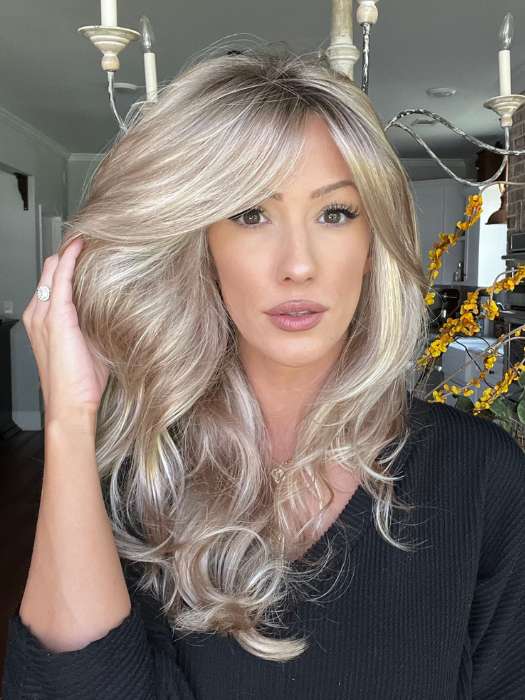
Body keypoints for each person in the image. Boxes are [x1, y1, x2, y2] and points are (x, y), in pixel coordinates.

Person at [2, 40, 525, 700]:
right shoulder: (140, 477)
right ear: (205, 244)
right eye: (250, 214)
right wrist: (69, 421)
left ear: (372, 244)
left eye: (335, 213)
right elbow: (72, 685)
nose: (297, 264)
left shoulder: (481, 476)